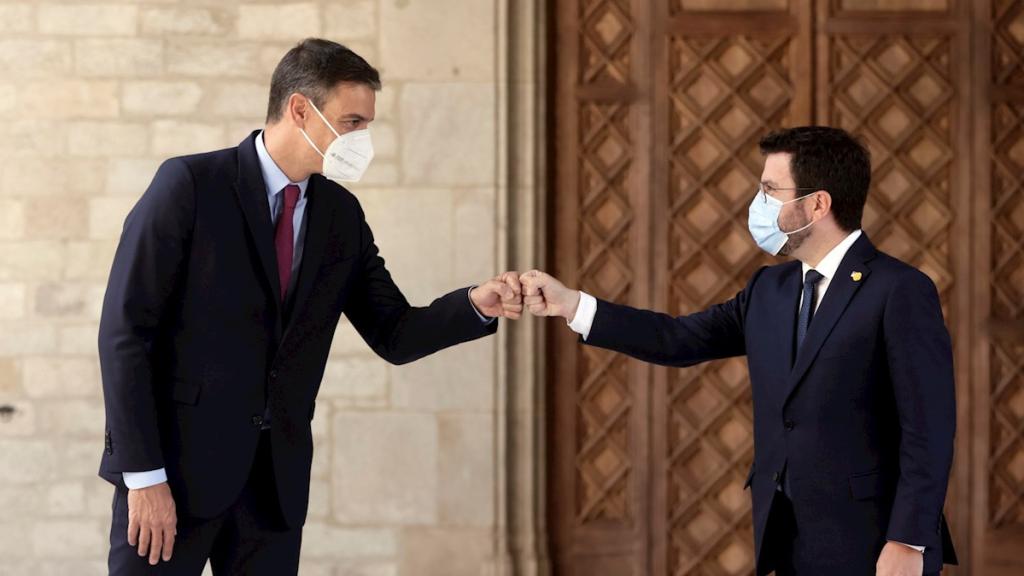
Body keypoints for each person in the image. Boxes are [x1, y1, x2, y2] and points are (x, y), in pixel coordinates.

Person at [98, 38, 524, 575]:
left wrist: (475, 305)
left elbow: (395, 332)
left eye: (367, 125)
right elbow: (125, 334)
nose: (361, 139)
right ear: (300, 108)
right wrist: (143, 476)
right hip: (173, 480)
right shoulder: (190, 186)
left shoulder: (340, 217)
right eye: (352, 122)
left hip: (273, 492)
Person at [520, 126, 957, 576]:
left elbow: (929, 427)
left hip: (873, 542)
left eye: (770, 189)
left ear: (817, 204)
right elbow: (677, 339)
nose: (759, 203)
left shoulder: (900, 290)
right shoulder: (770, 288)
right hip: (786, 536)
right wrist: (570, 304)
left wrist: (909, 540)